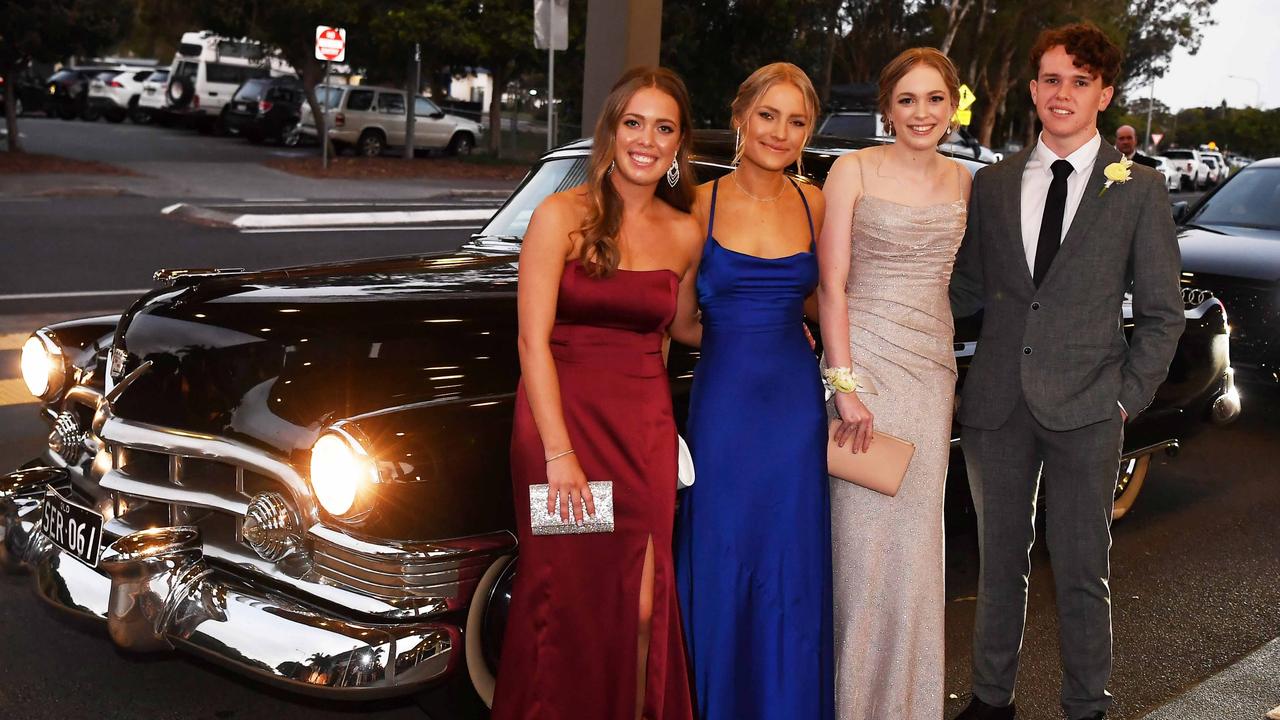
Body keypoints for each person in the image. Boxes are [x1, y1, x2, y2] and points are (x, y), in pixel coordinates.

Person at [949, 23, 1183, 720]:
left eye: (1080, 81)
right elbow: (966, 292)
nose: (1063, 93)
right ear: (1031, 88)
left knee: (1083, 572)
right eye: (1051, 78)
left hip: (1089, 407)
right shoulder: (991, 184)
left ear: (1104, 94)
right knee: (999, 565)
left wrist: (1126, 399)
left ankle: (1087, 706)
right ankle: (992, 700)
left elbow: (1164, 312)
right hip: (995, 404)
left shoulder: (1138, 189)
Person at [491, 66, 701, 720]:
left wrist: (776, 326)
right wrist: (560, 454)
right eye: (633, 122)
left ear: (677, 145)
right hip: (561, 426)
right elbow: (532, 344)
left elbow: (684, 328)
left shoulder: (685, 232)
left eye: (663, 127)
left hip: (642, 431)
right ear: (610, 131)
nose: (647, 139)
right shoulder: (560, 215)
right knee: (565, 599)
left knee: (642, 604)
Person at [671, 62, 833, 720]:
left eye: (796, 121)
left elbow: (825, 303)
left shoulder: (813, 201)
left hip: (794, 407)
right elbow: (679, 321)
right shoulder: (697, 204)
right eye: (768, 115)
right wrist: (740, 332)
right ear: (740, 116)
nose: (780, 132)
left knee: (790, 557)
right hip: (726, 407)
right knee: (722, 549)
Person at [817, 47, 969, 719]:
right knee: (859, 550)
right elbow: (831, 285)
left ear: (953, 105)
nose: (921, 113)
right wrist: (843, 385)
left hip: (930, 375)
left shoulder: (966, 182)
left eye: (934, 99)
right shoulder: (851, 170)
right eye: (907, 99)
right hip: (865, 372)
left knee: (915, 550)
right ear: (887, 107)